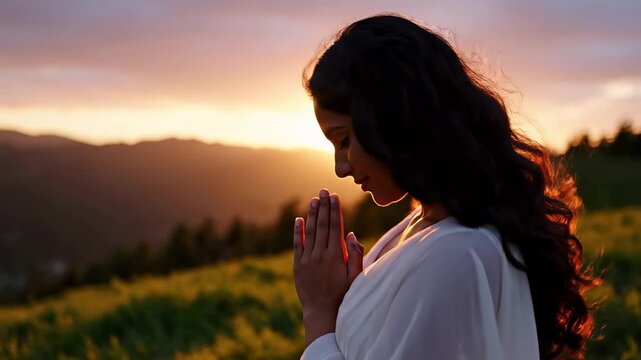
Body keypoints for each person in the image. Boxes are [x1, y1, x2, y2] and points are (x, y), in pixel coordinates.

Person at [292, 13, 600, 360]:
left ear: (393, 116)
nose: (340, 167)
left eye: (344, 140)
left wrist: (319, 314)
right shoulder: (422, 226)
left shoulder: (453, 256)